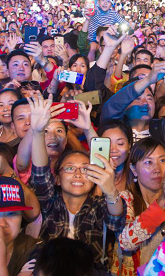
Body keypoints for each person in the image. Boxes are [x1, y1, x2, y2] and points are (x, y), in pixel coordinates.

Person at [26, 94, 126, 272]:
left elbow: (116, 222)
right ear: (57, 178)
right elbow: (40, 174)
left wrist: (88, 129)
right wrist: (38, 132)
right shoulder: (49, 204)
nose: (78, 173)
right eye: (70, 168)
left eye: (85, 168)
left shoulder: (99, 207)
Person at [114, 137, 165, 275]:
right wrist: (163, 199)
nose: (157, 169)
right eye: (148, 162)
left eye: (162, 160)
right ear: (133, 169)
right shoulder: (125, 200)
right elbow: (126, 242)